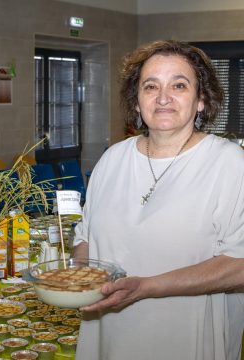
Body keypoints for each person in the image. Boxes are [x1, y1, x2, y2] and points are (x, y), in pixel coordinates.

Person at [73, 39, 244, 360]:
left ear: (201, 100)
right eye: (150, 86)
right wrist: (75, 277)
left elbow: (240, 266)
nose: (163, 97)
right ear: (136, 102)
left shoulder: (230, 163)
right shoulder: (113, 158)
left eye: (179, 85)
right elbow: (85, 241)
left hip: (185, 335)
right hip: (108, 328)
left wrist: (147, 287)